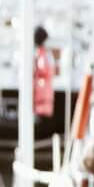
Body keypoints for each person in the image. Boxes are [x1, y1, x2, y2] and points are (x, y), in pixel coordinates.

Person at [32, 24, 57, 155]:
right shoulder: (45, 55)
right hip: (43, 100)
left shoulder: (41, 55)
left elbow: (43, 72)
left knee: (40, 128)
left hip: (40, 101)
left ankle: (39, 151)